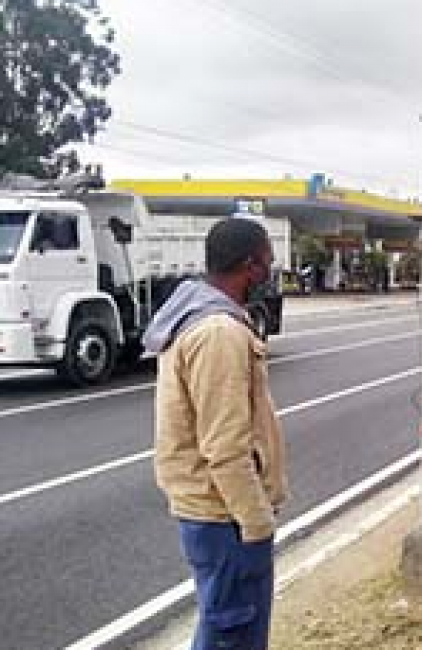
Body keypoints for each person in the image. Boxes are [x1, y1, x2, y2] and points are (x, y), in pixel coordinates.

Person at [143, 217, 287, 650]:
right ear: (250, 265)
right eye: (268, 262)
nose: (270, 271)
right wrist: (257, 521)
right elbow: (224, 447)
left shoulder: (197, 314)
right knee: (234, 632)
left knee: (221, 624)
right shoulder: (219, 333)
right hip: (225, 516)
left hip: (213, 513)